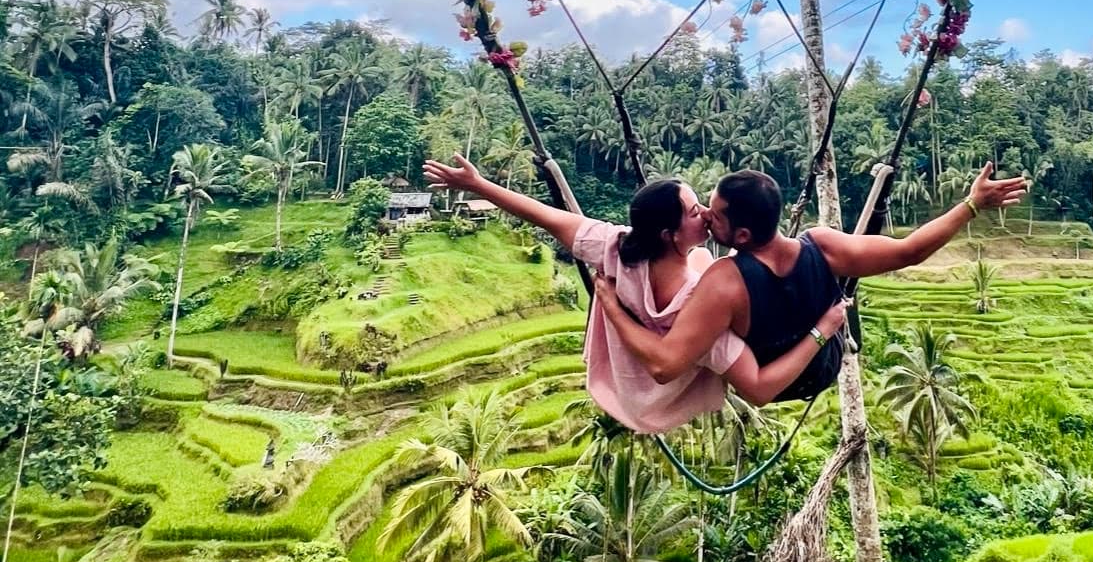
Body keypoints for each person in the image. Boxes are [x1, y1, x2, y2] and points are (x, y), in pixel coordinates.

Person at [421, 157, 846, 434]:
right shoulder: (704, 312)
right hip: (663, 398)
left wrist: (479, 184)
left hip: (622, 386)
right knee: (712, 265)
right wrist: (823, 330)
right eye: (694, 210)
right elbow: (758, 388)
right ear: (670, 234)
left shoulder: (616, 249)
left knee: (707, 262)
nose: (704, 214)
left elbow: (546, 217)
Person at [593, 162, 1028, 401]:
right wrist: (972, 204)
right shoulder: (824, 245)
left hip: (775, 381)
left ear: (741, 236)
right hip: (824, 367)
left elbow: (665, 366)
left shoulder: (725, 281)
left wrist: (612, 307)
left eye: (714, 214)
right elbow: (909, 251)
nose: (705, 217)